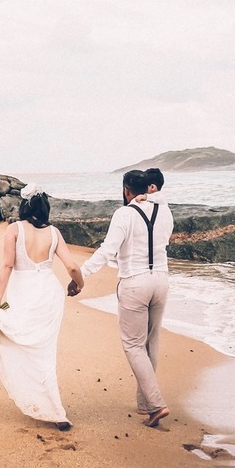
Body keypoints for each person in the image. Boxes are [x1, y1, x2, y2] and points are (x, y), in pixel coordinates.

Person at [0, 184, 85, 431]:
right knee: (45, 354)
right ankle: (56, 411)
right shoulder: (55, 233)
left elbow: (6, 266)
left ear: (24, 206)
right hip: (48, 295)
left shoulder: (14, 230)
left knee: (14, 337)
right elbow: (71, 267)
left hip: (23, 291)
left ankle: (40, 399)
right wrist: (79, 284)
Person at [80, 169, 174, 428]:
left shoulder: (124, 214)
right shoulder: (164, 210)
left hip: (135, 282)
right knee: (151, 342)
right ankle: (145, 404)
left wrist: (83, 273)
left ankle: (155, 404)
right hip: (161, 280)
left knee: (133, 345)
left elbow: (108, 249)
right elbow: (164, 239)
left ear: (126, 190)